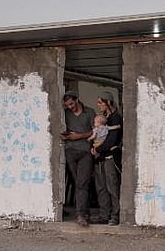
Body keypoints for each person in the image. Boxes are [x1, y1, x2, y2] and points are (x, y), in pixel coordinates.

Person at [61, 90, 96, 227]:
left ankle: (80, 214)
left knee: (82, 183)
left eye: (71, 104)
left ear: (77, 99)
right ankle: (84, 212)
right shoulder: (65, 114)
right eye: (67, 105)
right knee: (79, 183)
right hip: (70, 151)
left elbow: (95, 131)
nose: (70, 107)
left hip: (85, 152)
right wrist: (66, 135)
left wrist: (79, 136)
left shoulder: (90, 112)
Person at [91, 91, 123, 226]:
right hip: (100, 158)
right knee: (101, 187)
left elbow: (112, 140)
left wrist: (97, 149)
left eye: (100, 102)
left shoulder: (116, 118)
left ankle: (115, 215)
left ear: (108, 102)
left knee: (112, 187)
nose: (98, 105)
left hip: (109, 158)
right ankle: (104, 215)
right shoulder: (104, 117)